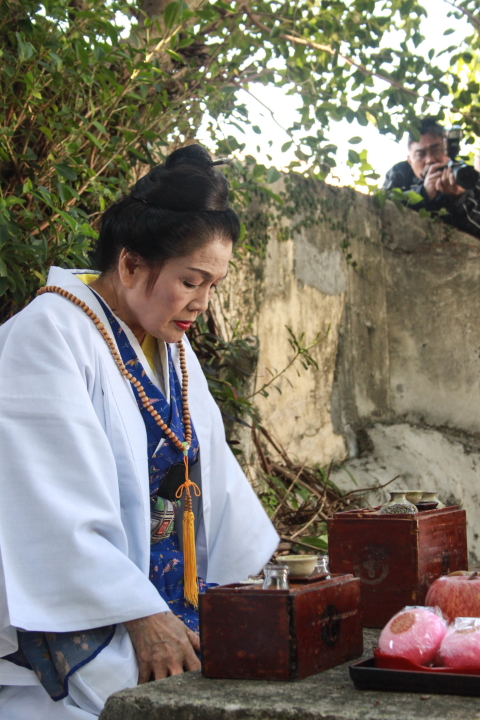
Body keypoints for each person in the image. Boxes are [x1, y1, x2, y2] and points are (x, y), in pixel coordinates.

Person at [0, 144, 279, 719]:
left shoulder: (170, 347)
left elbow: (216, 483)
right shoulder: (45, 336)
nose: (201, 304)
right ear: (130, 264)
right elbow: (48, 510)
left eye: (213, 287)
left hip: (174, 610)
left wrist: (258, 587)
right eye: (191, 281)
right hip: (90, 627)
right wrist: (143, 614)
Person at [383, 117, 480, 239]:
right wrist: (423, 193)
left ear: (448, 151)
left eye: (436, 150)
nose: (430, 160)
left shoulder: (465, 175)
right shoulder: (400, 173)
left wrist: (457, 199)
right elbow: (382, 207)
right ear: (410, 160)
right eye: (420, 154)